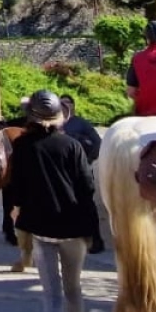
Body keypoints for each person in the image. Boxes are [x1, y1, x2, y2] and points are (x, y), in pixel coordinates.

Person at [8, 89, 100, 312]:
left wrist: (17, 209)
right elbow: (87, 186)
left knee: (51, 292)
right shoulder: (72, 145)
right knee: (73, 288)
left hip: (41, 227)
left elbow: (16, 187)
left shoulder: (22, 146)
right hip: (74, 227)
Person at [57, 94, 107, 254]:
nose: (65, 106)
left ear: (73, 106)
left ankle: (95, 240)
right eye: (62, 103)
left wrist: (89, 160)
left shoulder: (81, 124)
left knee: (86, 206)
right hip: (60, 172)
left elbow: (97, 143)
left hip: (81, 170)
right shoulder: (53, 124)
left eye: (68, 103)